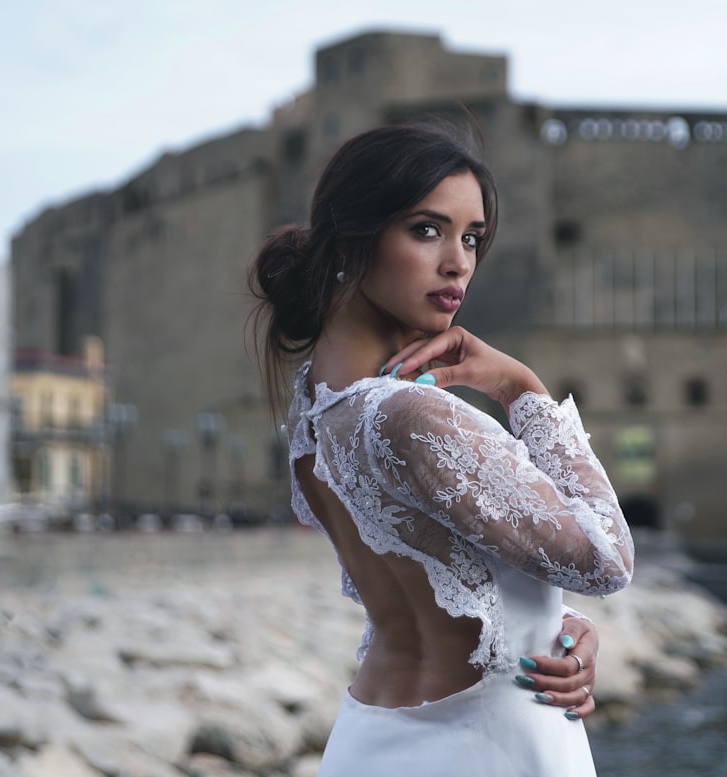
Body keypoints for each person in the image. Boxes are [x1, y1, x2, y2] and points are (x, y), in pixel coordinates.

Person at [249, 121, 634, 776]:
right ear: (353, 237)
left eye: (472, 237)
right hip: (484, 745)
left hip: (373, 742)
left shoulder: (313, 408)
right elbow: (607, 559)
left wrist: (549, 621)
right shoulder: (413, 413)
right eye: (427, 229)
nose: (458, 261)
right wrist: (521, 386)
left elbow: (424, 568)